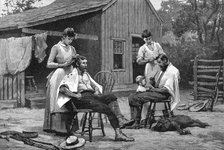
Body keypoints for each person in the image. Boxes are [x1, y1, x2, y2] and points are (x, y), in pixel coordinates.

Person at [57, 55, 135, 142]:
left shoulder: (86, 74)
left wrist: (97, 89)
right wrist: (75, 95)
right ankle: (118, 133)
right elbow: (62, 89)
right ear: (77, 64)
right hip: (81, 99)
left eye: (86, 63)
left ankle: (120, 119)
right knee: (106, 108)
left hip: (92, 96)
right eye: (83, 63)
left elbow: (94, 85)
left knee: (111, 96)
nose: (86, 65)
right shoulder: (72, 75)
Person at [128, 54, 180, 128]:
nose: (158, 65)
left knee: (137, 97)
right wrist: (153, 82)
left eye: (159, 62)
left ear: (165, 61)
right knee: (131, 96)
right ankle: (134, 120)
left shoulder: (172, 71)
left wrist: (153, 89)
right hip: (157, 92)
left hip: (164, 95)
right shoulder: (163, 69)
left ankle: (137, 122)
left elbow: (166, 89)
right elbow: (159, 83)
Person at [43, 27, 79, 134]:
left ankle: (70, 128)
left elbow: (74, 61)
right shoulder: (56, 47)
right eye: (68, 38)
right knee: (58, 100)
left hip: (69, 74)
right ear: (63, 37)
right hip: (59, 75)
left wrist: (76, 60)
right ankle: (58, 128)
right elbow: (48, 63)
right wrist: (61, 65)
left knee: (69, 98)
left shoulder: (72, 48)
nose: (70, 41)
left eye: (71, 39)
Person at [136, 29, 165, 121]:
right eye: (146, 39)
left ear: (151, 37)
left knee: (159, 86)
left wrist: (159, 58)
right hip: (149, 68)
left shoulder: (157, 45)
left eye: (149, 38)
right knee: (150, 87)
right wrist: (148, 60)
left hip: (158, 67)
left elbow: (163, 56)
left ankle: (162, 113)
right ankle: (149, 115)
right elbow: (139, 61)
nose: (148, 40)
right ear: (144, 40)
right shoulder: (143, 48)